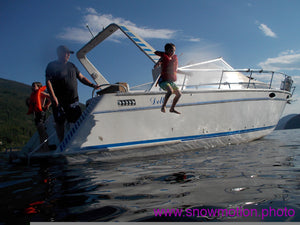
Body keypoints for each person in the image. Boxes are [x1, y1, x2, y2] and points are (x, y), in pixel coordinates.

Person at [45, 45, 100, 142]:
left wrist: (92, 85)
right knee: (60, 122)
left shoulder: (72, 66)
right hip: (59, 101)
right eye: (66, 53)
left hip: (73, 100)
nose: (68, 55)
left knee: (76, 121)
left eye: (69, 54)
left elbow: (81, 77)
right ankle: (61, 142)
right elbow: (48, 81)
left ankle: (75, 143)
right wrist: (53, 97)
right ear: (59, 53)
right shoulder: (52, 66)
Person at [154, 43, 182, 114]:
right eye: (171, 50)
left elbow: (175, 70)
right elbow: (160, 62)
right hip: (163, 81)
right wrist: (157, 64)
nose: (172, 52)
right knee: (170, 91)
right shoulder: (164, 57)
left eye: (174, 51)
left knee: (179, 94)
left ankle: (172, 108)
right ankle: (163, 106)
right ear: (166, 51)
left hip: (170, 81)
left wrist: (187, 73)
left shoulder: (173, 60)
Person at [26, 82, 51, 152]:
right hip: (36, 113)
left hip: (41, 113)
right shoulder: (34, 95)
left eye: (34, 86)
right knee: (40, 131)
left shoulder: (41, 93)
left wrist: (47, 105)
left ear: (39, 87)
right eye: (32, 86)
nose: (33, 87)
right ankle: (42, 146)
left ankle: (46, 147)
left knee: (42, 130)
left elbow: (50, 97)